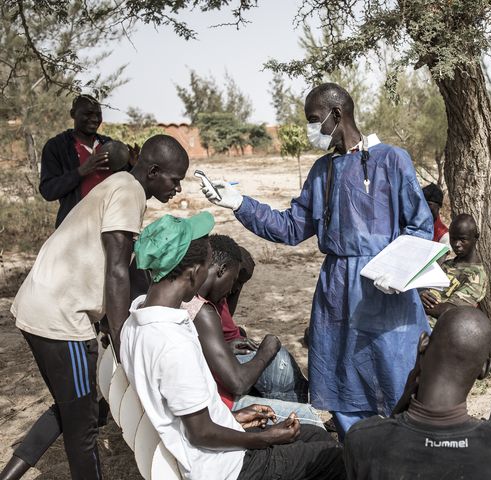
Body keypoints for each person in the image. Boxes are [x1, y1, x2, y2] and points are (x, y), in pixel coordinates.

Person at [201, 83, 433, 439]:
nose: (311, 129)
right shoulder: (323, 171)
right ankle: (356, 451)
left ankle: (402, 451)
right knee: (342, 376)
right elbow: (292, 227)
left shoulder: (392, 160)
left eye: (314, 120)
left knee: (395, 370)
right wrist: (240, 203)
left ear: (336, 115)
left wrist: (401, 270)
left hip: (386, 289)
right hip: (337, 290)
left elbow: (420, 226)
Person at [2, 135, 189, 480]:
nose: (177, 188)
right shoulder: (129, 191)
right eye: (174, 179)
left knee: (72, 406)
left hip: (37, 306)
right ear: (152, 171)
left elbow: (120, 268)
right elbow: (116, 269)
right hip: (61, 319)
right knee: (85, 428)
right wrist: (123, 344)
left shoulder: (118, 185)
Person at [121, 212, 345, 480]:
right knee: (335, 459)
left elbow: (183, 415)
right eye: (205, 266)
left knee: (313, 433)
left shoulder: (136, 319)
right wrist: (265, 439)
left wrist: (235, 418)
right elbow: (200, 433)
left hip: (212, 446)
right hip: (227, 467)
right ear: (193, 274)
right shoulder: (172, 344)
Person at [344, 307, 491, 480]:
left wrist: (401, 404)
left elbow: (389, 438)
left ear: (423, 343)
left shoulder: (363, 438)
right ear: (484, 370)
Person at [184, 234, 322, 427]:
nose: (233, 289)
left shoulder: (189, 300)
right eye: (233, 281)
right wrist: (267, 350)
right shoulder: (201, 310)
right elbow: (238, 382)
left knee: (285, 376)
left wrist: (226, 346)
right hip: (222, 404)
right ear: (222, 270)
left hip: (215, 392)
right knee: (308, 418)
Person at [39, 94, 114, 227]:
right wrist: (80, 172)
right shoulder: (57, 146)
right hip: (74, 228)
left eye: (98, 114)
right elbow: (48, 191)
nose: (95, 119)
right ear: (73, 114)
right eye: (88, 113)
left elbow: (126, 184)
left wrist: (133, 164)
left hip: (109, 225)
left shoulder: (109, 145)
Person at [420, 214, 487, 323]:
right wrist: (421, 295)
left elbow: (451, 310)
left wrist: (418, 303)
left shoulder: (476, 275)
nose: (456, 244)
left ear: (476, 237)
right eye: (453, 239)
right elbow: (424, 289)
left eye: (462, 240)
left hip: (435, 331)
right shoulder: (447, 264)